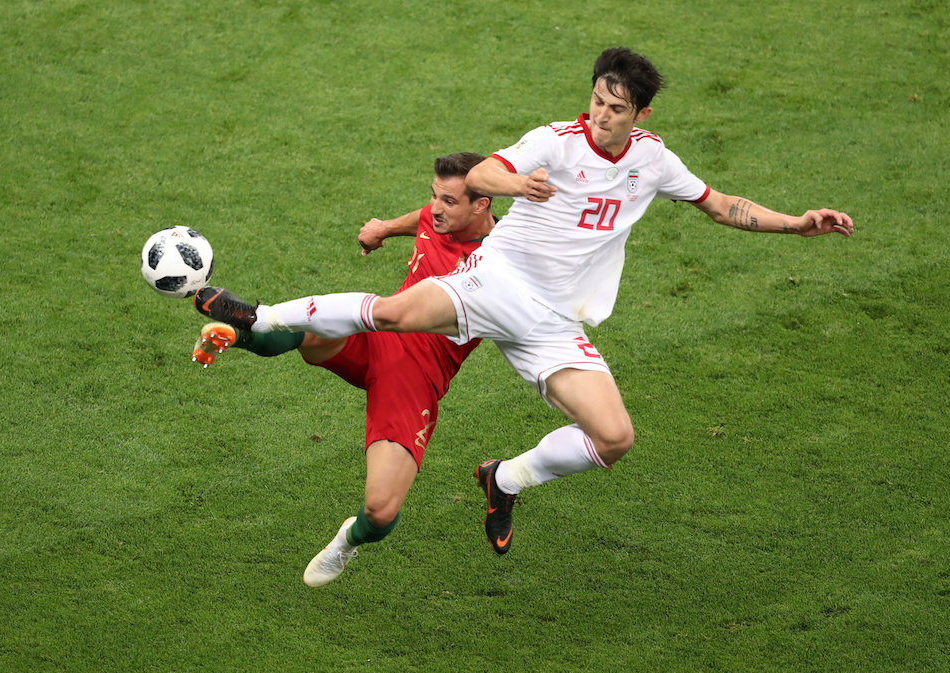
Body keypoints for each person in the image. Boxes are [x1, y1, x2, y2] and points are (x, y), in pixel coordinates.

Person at [202, 47, 854, 556]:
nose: (601, 116)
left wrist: (796, 223)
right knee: (396, 314)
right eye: (597, 100)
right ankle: (263, 316)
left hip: (554, 322)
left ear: (641, 116)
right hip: (497, 281)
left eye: (616, 109)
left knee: (615, 437)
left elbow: (720, 205)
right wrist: (520, 185)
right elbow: (483, 173)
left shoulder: (654, 162)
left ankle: (504, 479)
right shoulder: (556, 140)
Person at [193, 152, 495, 585]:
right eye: (434, 196)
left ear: (482, 205)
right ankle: (238, 333)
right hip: (377, 334)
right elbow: (424, 219)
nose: (435, 209)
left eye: (448, 201)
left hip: (415, 375)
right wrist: (385, 228)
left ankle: (346, 542)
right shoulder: (440, 217)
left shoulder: (497, 261)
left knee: (380, 511)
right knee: (311, 333)